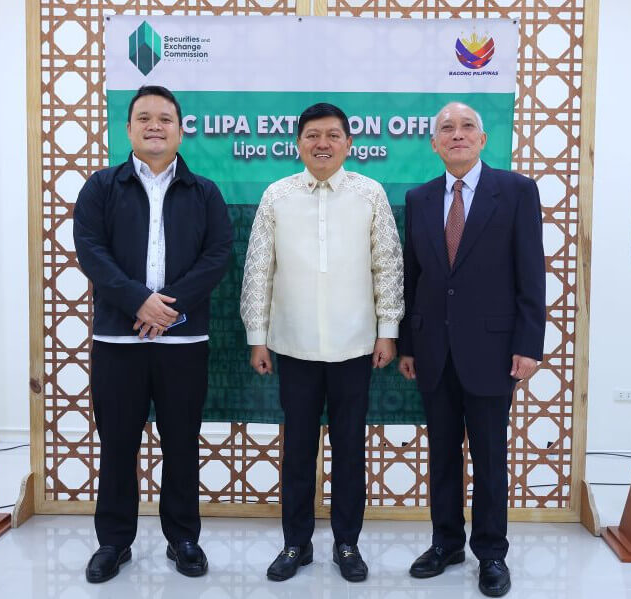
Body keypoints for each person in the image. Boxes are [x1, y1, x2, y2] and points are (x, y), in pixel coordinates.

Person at [73, 85, 233, 583]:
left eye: (165, 118)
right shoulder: (101, 186)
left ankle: (183, 538)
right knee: (117, 443)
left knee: (181, 442)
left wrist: (169, 309)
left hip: (183, 344)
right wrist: (136, 301)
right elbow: (90, 250)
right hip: (119, 341)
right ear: (129, 129)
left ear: (182, 129)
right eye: (144, 117)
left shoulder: (204, 191)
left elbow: (217, 256)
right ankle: (114, 542)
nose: (155, 125)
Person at [240, 103, 403, 583]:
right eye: (313, 135)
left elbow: (388, 265)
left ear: (349, 144)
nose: (323, 144)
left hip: (356, 346)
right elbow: (258, 270)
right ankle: (296, 544)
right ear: (298, 143)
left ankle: (347, 544)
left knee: (351, 450)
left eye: (333, 135)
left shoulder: (370, 193)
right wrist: (257, 336)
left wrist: (388, 331)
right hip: (293, 346)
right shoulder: (277, 195)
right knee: (298, 452)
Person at [397, 102, 545, 597]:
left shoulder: (517, 192)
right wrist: (408, 344)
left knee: (488, 457)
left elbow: (531, 274)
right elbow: (412, 279)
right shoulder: (418, 199)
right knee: (441, 454)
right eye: (446, 129)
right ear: (434, 143)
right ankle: (446, 543)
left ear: (483, 140)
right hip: (434, 351)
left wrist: (528, 344)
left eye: (466, 128)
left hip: (494, 350)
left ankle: (491, 553)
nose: (456, 135)